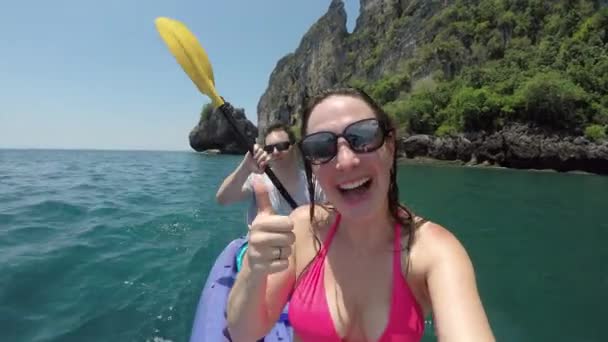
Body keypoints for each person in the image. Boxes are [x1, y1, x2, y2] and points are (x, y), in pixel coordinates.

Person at [226, 87, 495, 341]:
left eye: (363, 137)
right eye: (321, 147)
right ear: (313, 165)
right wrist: (254, 266)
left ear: (389, 147)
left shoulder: (434, 251)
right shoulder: (302, 229)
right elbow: (243, 334)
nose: (346, 161)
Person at [215, 121, 325, 227]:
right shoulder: (257, 180)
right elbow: (223, 199)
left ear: (294, 147)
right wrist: (245, 167)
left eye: (282, 146)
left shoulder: (315, 183)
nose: (276, 152)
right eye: (270, 148)